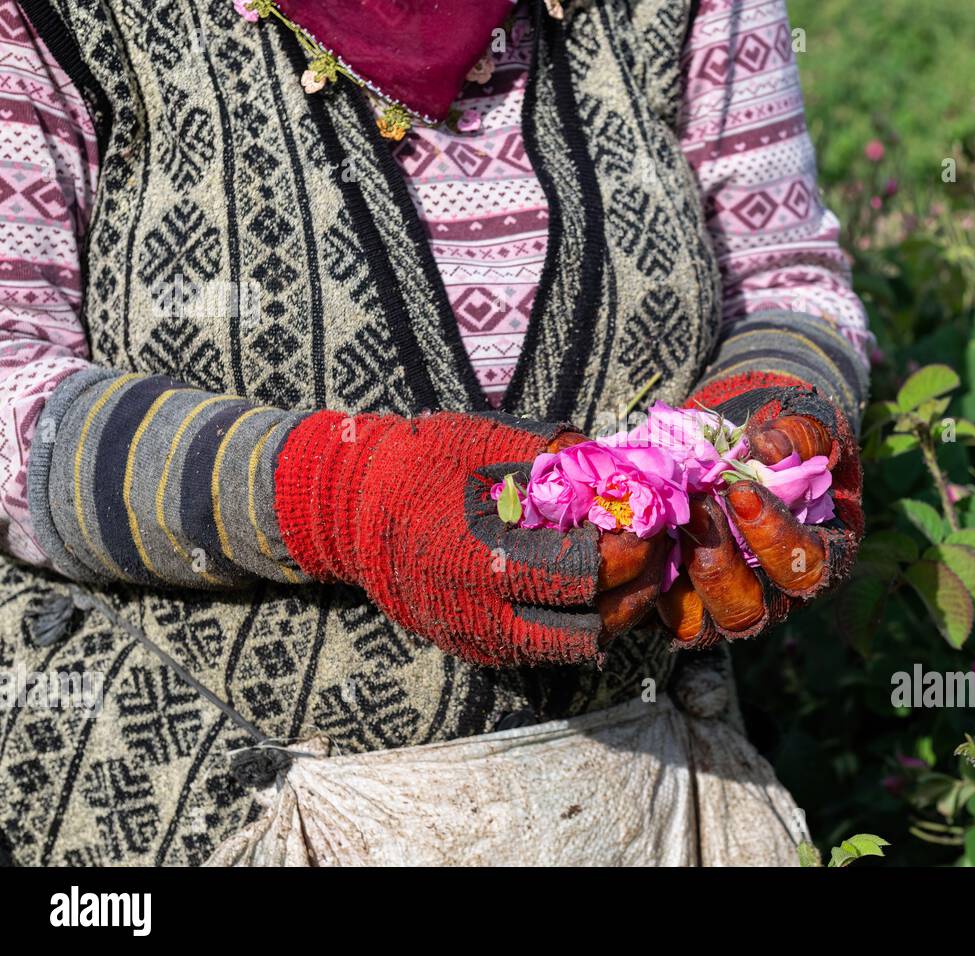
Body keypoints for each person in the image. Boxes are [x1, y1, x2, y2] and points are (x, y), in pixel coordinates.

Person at [0, 0, 872, 865]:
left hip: (643, 801)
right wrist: (334, 494)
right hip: (227, 802)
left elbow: (782, 275)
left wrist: (771, 422)